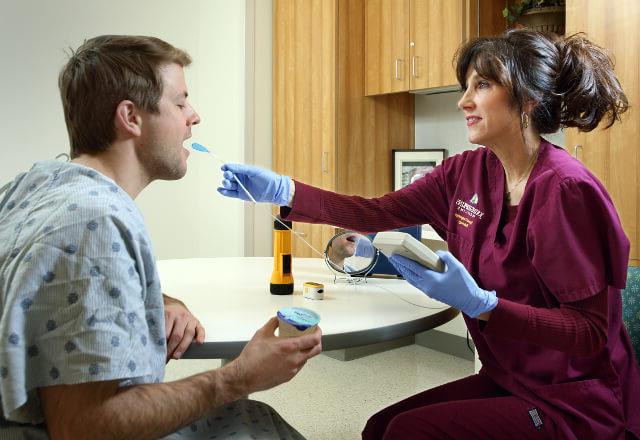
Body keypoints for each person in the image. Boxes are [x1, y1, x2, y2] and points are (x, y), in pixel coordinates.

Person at [218, 29, 640, 439]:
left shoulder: (564, 190)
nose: (464, 100)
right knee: (379, 428)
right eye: (466, 85)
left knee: (408, 432)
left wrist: (483, 305)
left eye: (483, 84)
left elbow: (589, 331)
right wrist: (283, 191)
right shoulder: (465, 173)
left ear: (528, 98)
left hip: (574, 401)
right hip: (510, 378)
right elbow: (378, 212)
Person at [0, 35, 322, 439]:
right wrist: (236, 378)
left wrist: (156, 299)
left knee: (255, 417)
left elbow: (50, 283)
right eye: (181, 101)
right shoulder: (95, 223)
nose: (194, 116)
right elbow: (83, 427)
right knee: (254, 418)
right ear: (131, 117)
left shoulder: (37, 185)